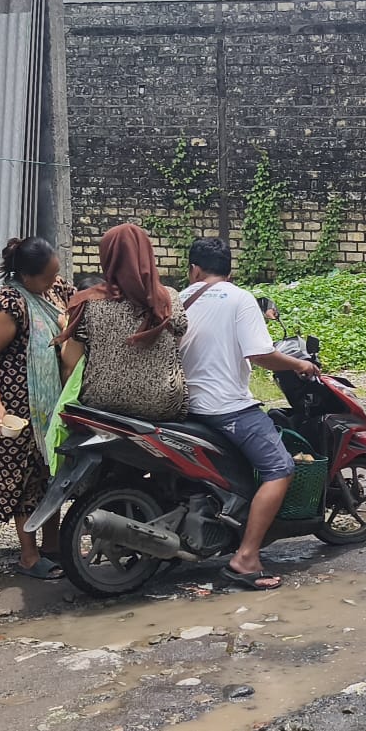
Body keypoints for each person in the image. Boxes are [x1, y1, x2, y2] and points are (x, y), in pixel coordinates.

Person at [178, 237, 318, 591]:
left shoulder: (180, 299)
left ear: (194, 269)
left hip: (184, 407)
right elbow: (260, 354)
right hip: (226, 407)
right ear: (230, 271)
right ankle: (246, 558)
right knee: (280, 468)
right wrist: (300, 365)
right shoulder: (239, 298)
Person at [0, 237, 74, 580]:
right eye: (47, 276)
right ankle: (29, 555)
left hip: (52, 405)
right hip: (17, 409)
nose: (55, 281)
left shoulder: (54, 290)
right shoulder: (8, 305)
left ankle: (52, 545)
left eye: (56, 273)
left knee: (51, 474)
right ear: (26, 276)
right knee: (24, 480)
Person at [57, 223, 188, 422]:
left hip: (100, 404)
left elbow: (71, 363)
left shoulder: (89, 302)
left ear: (107, 258)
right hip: (163, 407)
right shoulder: (169, 298)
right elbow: (175, 345)